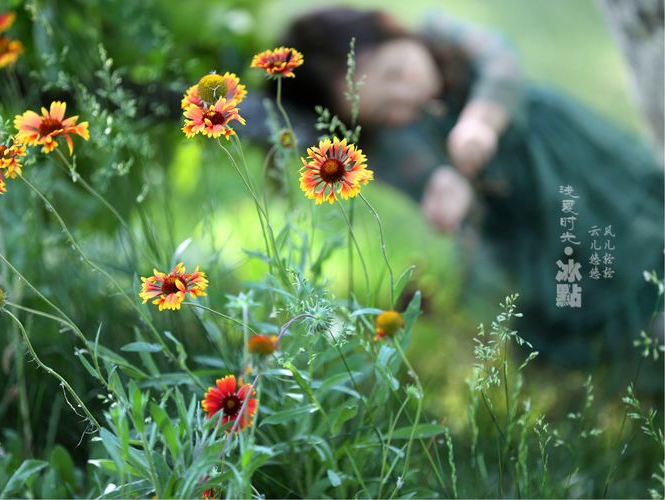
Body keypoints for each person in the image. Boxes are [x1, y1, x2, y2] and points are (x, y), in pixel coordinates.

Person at [281, 7, 665, 364]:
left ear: (391, 28)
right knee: (561, 274)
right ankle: (619, 348)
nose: (406, 96)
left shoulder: (442, 33)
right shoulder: (395, 140)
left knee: (614, 230)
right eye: (387, 109)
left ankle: (650, 304)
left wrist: (481, 121)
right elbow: (425, 172)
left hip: (559, 158)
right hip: (515, 217)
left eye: (395, 73)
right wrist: (448, 185)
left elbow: (500, 62)